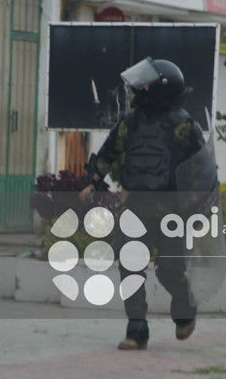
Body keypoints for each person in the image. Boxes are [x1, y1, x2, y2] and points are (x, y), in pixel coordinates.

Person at [79, 57, 204, 351]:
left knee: (169, 270)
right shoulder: (129, 122)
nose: (140, 87)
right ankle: (136, 330)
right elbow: (109, 152)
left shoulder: (184, 125)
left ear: (160, 88)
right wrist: (92, 180)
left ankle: (185, 307)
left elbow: (201, 167)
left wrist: (200, 202)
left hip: (172, 209)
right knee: (131, 263)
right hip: (136, 204)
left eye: (146, 83)